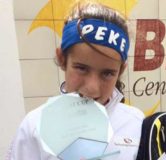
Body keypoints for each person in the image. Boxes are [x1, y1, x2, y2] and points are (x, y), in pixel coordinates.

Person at [8, 1, 144, 159]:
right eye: (81, 68)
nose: (92, 88)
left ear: (120, 70)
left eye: (107, 73)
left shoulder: (136, 123)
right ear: (62, 59)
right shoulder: (34, 126)